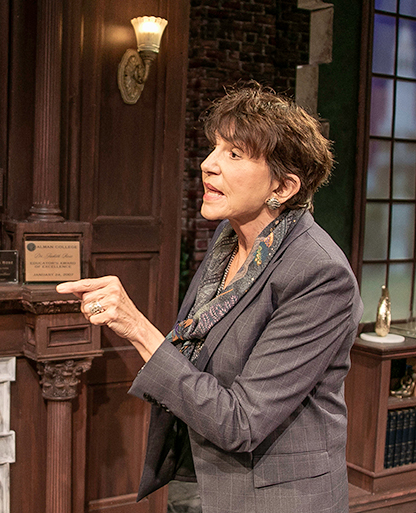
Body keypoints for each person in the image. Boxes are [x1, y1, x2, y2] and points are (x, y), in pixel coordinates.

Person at [57, 83, 363, 513]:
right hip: (202, 474)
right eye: (215, 148)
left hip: (274, 498)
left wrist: (137, 328)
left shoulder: (319, 275)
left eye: (234, 154)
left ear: (284, 186)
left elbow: (243, 421)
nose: (207, 165)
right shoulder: (230, 237)